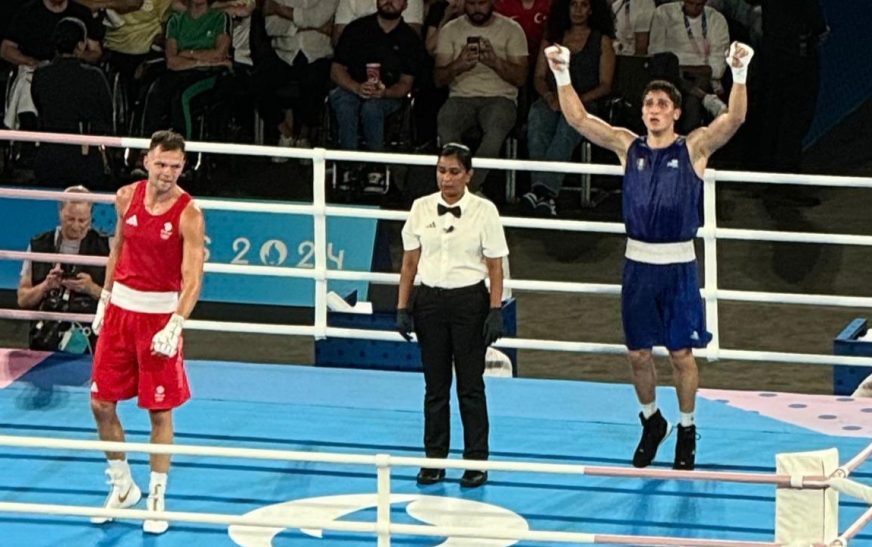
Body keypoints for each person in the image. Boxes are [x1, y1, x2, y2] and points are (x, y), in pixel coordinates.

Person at [543, 39, 754, 469]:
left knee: (680, 354)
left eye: (662, 103)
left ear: (675, 112)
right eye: (648, 103)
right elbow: (579, 119)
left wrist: (740, 72)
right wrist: (562, 73)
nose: (654, 109)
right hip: (638, 265)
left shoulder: (693, 147)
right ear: (642, 113)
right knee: (638, 353)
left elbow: (734, 118)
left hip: (678, 266)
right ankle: (651, 420)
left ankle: (688, 427)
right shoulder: (628, 147)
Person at [88, 130, 206, 534]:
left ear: (183, 167)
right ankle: (123, 487)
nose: (167, 173)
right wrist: (104, 300)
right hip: (120, 312)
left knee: (159, 410)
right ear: (147, 162)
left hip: (159, 318)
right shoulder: (125, 197)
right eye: (161, 164)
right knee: (101, 403)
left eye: (175, 166)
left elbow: (193, 278)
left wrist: (176, 323)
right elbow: (117, 249)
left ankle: (157, 497)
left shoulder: (189, 213)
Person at [396, 142, 509, 488]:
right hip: (429, 301)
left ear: (468, 175)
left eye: (454, 171)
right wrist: (402, 306)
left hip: (469, 303)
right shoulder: (419, 208)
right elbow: (410, 262)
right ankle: (434, 460)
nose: (447, 178)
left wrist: (495, 309)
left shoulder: (484, 211)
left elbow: (495, 266)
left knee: (471, 386)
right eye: (442, 171)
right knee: (435, 386)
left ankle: (477, 461)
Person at [522, 0, 615, 216]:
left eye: (584, 5)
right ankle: (543, 195)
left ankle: (543, 191)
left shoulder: (602, 41)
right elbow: (538, 77)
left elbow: (605, 85)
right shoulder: (552, 38)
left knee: (568, 125)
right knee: (537, 119)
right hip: (551, 99)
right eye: (573, 5)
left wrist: (574, 102)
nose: (578, 10)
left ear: (591, 9)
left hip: (585, 102)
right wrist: (549, 97)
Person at [17, 185, 110, 353]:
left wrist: (91, 288)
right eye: (70, 219)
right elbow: (23, 300)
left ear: (91, 217)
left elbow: (120, 302)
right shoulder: (39, 244)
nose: (76, 226)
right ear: (60, 213)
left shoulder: (107, 249)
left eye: (82, 221)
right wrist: (45, 286)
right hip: (44, 340)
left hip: (91, 343)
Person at [31, 17, 113, 189]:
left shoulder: (41, 74)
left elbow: (39, 105)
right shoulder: (94, 76)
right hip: (84, 160)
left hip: (47, 157)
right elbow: (106, 114)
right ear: (81, 45)